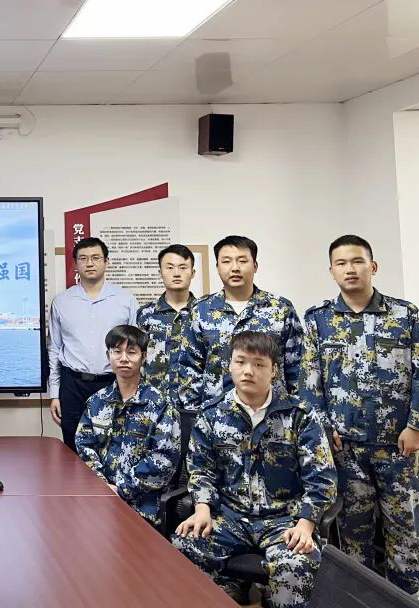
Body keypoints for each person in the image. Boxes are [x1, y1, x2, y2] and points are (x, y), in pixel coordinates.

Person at [300, 234, 419, 600]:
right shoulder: (318, 320)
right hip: (345, 449)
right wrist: (323, 429)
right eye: (341, 263)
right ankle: (360, 600)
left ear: (373, 266)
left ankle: (407, 599)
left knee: (406, 530)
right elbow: (309, 382)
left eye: (357, 261)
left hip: (398, 447)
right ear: (331, 271)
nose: (350, 269)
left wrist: (417, 426)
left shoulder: (404, 315)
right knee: (353, 530)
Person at [173, 332, 337, 608]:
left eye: (259, 364)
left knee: (296, 565)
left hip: (284, 519)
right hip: (230, 517)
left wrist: (306, 523)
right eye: (241, 362)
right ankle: (226, 592)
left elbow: (322, 478)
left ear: (274, 370)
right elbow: (201, 471)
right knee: (183, 546)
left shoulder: (300, 416)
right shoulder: (212, 415)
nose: (248, 371)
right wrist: (202, 509)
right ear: (230, 365)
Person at [177, 235, 303, 413]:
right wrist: (195, 413)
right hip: (216, 416)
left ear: (255, 266)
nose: (235, 268)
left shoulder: (281, 309)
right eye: (226, 261)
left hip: (272, 415)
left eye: (242, 261)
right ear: (217, 268)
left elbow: (297, 367)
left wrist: (297, 413)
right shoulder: (200, 310)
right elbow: (189, 366)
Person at [74, 325, 180, 526]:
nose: (123, 358)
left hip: (143, 505)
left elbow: (163, 462)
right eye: (117, 352)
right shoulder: (96, 402)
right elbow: (84, 447)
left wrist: (120, 489)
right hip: (99, 497)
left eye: (131, 352)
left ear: (144, 356)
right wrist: (102, 487)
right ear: (108, 355)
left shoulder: (161, 405)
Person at [48, 237, 138, 452]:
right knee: (72, 447)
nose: (89, 263)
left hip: (113, 383)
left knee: (113, 446)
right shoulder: (62, 301)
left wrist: (133, 389)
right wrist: (55, 393)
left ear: (107, 262)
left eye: (96, 258)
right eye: (83, 258)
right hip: (72, 384)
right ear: (75, 264)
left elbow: (136, 348)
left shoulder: (125, 300)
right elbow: (54, 349)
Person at [136, 244, 197, 395]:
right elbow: (136, 358)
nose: (176, 273)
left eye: (183, 267)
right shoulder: (146, 314)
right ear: (160, 272)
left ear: (193, 272)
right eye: (170, 268)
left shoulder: (203, 313)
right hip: (154, 400)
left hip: (194, 401)